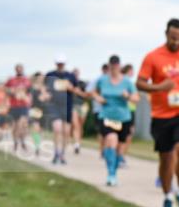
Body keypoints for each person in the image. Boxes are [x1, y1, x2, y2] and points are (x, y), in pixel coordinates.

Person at [136, 18, 179, 207]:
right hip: (161, 115)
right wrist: (159, 88)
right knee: (165, 159)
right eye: (173, 38)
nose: (176, 42)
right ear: (166, 34)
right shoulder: (153, 57)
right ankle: (166, 197)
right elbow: (139, 83)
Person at [92, 55, 139, 186]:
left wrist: (128, 96)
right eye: (112, 66)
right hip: (107, 116)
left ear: (119, 66)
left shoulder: (127, 82)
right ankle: (111, 173)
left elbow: (136, 98)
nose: (114, 68)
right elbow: (94, 92)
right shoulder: (102, 80)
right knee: (111, 141)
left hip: (123, 117)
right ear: (109, 66)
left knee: (119, 148)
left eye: (116, 65)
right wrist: (98, 98)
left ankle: (114, 170)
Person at [44, 55, 85, 164]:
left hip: (67, 106)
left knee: (66, 132)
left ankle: (62, 153)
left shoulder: (70, 76)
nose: (60, 65)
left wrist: (71, 88)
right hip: (54, 105)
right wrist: (45, 95)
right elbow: (45, 88)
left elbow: (76, 89)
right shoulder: (50, 75)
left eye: (62, 63)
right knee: (57, 129)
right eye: (58, 63)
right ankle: (56, 152)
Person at [6, 64, 32, 153]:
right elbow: (5, 89)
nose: (19, 71)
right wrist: (11, 91)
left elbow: (29, 90)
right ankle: (15, 143)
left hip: (24, 106)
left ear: (23, 70)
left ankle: (23, 142)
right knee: (15, 126)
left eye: (21, 69)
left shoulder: (26, 80)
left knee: (22, 125)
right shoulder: (11, 80)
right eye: (18, 69)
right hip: (14, 106)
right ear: (15, 70)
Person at [118, 63, 137, 166]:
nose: (133, 72)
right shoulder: (126, 82)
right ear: (128, 71)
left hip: (131, 110)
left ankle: (121, 156)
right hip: (127, 111)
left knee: (127, 135)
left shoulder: (128, 82)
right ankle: (120, 156)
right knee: (126, 135)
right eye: (132, 70)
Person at [28, 72, 49, 156]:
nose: (41, 78)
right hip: (34, 110)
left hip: (44, 110)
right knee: (36, 128)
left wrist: (44, 93)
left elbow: (47, 98)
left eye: (42, 77)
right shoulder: (32, 88)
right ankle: (37, 146)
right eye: (40, 77)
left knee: (41, 129)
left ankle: (38, 142)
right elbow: (30, 99)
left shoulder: (45, 88)